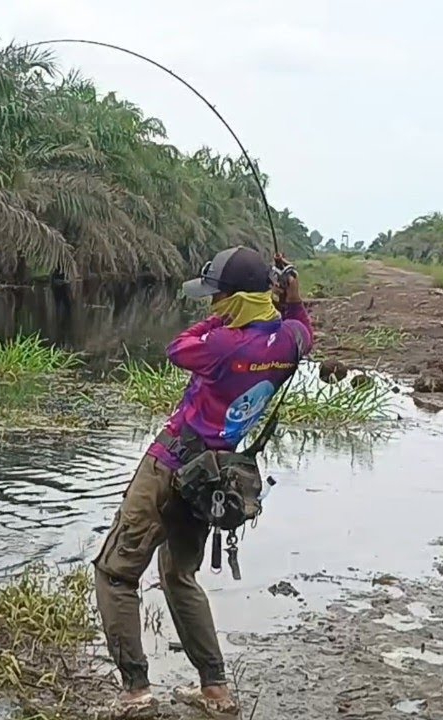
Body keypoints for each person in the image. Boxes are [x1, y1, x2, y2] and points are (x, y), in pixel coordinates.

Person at [91, 245, 313, 715]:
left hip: (170, 463)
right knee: (179, 574)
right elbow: (302, 328)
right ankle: (215, 690)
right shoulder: (290, 341)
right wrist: (290, 300)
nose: (212, 304)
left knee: (115, 572)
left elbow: (177, 347)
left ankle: (135, 690)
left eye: (218, 296)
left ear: (237, 300)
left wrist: (219, 321)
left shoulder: (222, 343)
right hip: (214, 476)